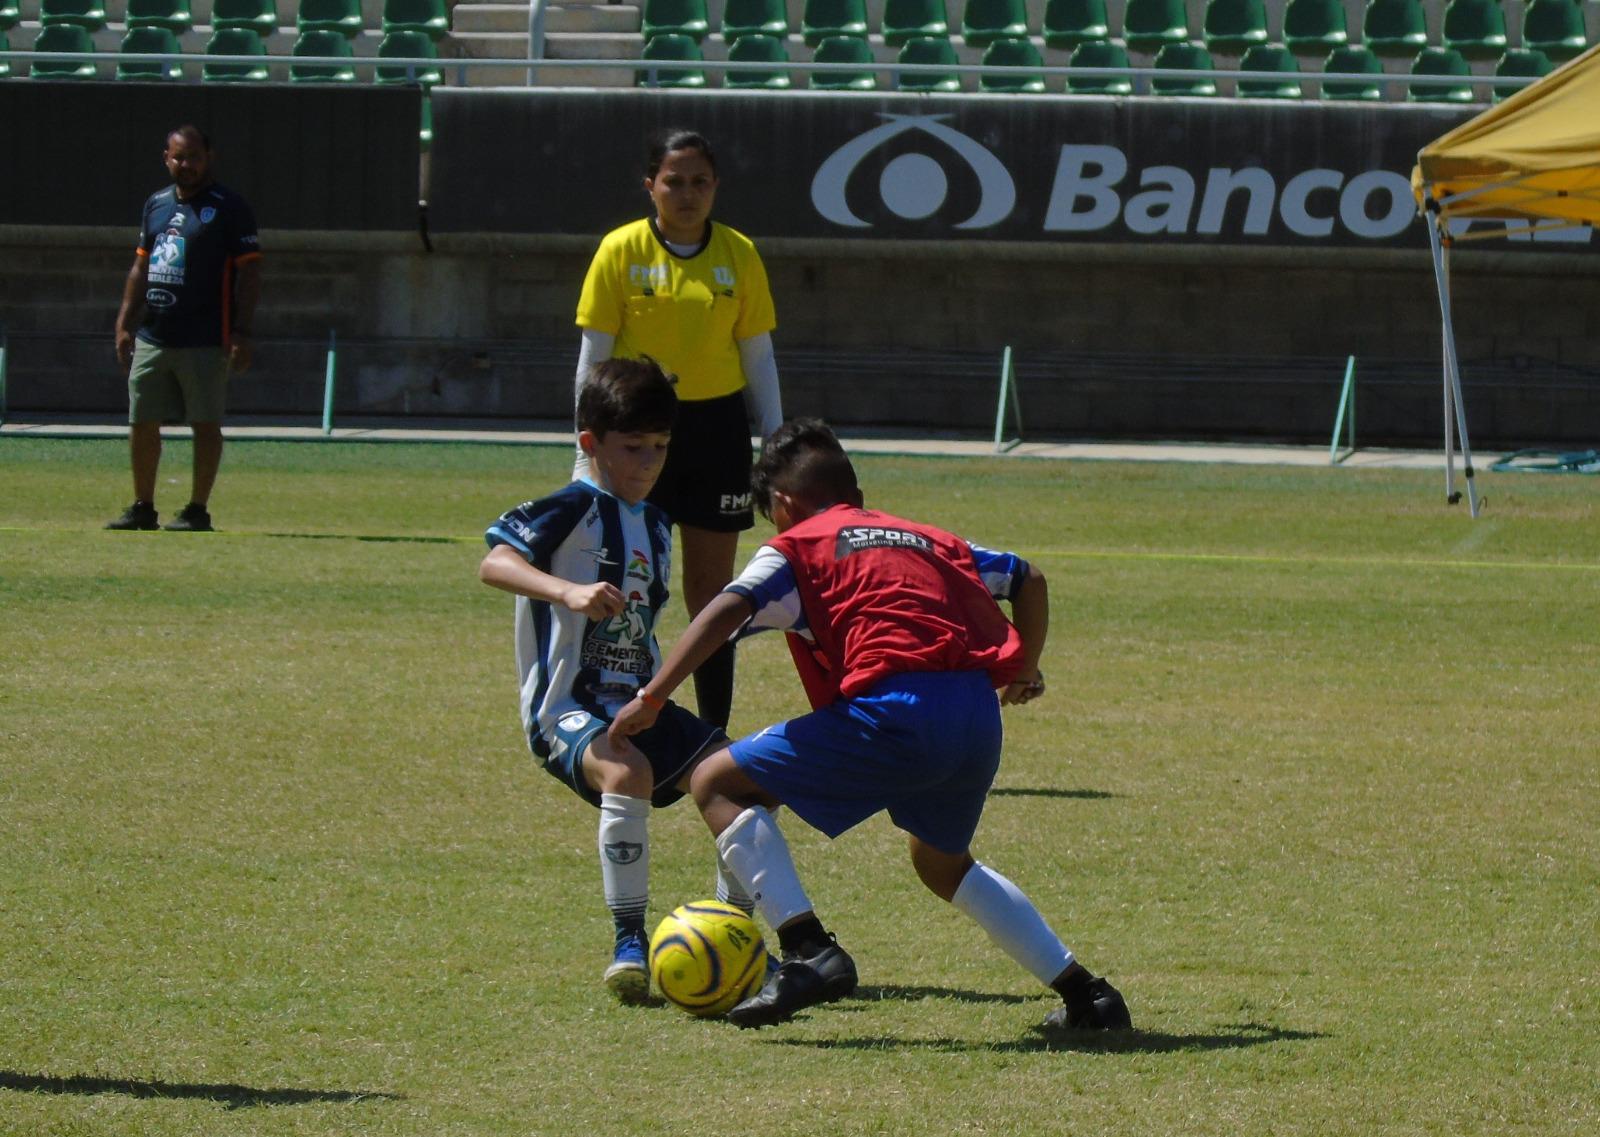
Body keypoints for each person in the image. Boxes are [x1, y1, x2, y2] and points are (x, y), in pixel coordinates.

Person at [610, 419, 1132, 1033]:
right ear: (853, 490)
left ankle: (808, 950)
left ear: (781, 504)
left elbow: (726, 607)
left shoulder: (796, 545)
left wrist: (652, 696)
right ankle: (1088, 997)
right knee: (942, 863)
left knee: (717, 781)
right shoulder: (929, 538)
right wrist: (1023, 668)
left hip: (896, 709)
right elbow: (1027, 578)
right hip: (974, 715)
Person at [479, 358, 773, 1005]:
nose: (648, 462)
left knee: (750, 776)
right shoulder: (569, 508)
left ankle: (731, 930)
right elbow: (494, 561)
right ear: (590, 443)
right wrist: (569, 590)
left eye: (660, 448)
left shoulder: (657, 523)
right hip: (567, 711)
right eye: (632, 447)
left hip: (638, 705)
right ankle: (629, 941)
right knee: (626, 771)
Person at [573, 128, 783, 730]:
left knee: (714, 592)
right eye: (674, 181)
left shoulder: (739, 253)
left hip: (717, 432)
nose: (687, 194)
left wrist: (774, 440)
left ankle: (714, 730)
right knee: (625, 582)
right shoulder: (620, 250)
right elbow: (593, 355)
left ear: (715, 187)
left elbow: (758, 355)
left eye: (699, 182)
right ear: (650, 186)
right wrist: (583, 446)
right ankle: (605, 714)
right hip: (636, 429)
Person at [106, 125, 261, 534]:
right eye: (178, 157)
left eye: (193, 156)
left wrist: (243, 331)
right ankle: (143, 506)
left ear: (208, 157)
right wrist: (124, 322)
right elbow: (141, 266)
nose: (185, 164)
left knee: (204, 422)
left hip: (206, 337)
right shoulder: (155, 204)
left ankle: (197, 509)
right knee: (141, 420)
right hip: (154, 334)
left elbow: (251, 272)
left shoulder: (230, 207)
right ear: (166, 158)